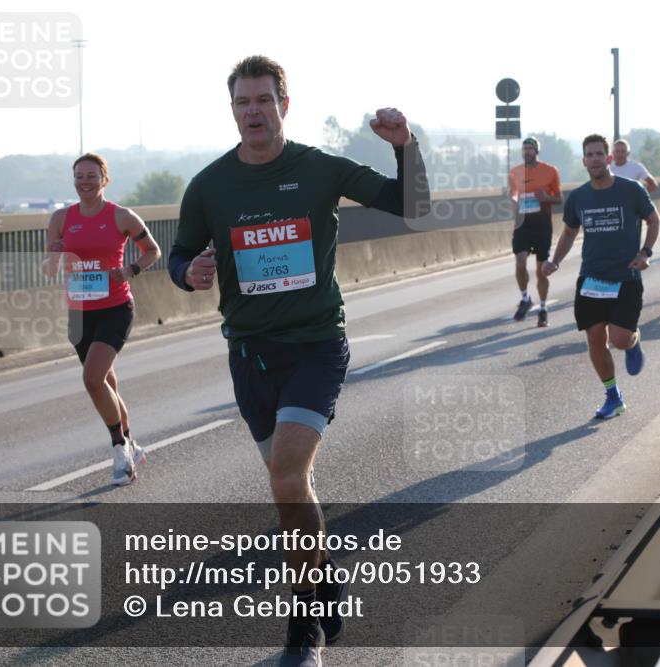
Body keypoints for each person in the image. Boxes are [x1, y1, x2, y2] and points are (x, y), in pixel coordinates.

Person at [167, 55, 428, 667]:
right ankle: (325, 570)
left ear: (285, 104)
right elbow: (177, 256)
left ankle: (303, 623)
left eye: (263, 100)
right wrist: (189, 272)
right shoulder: (208, 186)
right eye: (242, 103)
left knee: (286, 475)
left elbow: (410, 203)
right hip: (250, 353)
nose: (253, 112)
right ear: (232, 110)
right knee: (292, 489)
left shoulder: (318, 168)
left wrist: (405, 146)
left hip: (315, 345)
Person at [43, 153, 161, 486]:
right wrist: (54, 256)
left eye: (91, 176)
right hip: (79, 312)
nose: (85, 182)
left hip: (115, 307)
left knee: (92, 378)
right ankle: (132, 444)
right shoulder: (61, 218)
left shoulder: (121, 216)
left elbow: (152, 250)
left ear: (104, 179)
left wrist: (130, 270)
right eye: (79, 176)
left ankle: (120, 447)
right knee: (105, 383)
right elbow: (50, 266)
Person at [542, 134, 660, 419]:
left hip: (626, 276)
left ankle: (633, 341)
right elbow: (570, 231)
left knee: (619, 339)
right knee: (595, 337)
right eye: (589, 155)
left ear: (609, 159)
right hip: (592, 278)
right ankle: (612, 396)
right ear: (583, 161)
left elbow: (653, 220)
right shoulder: (579, 196)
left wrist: (645, 253)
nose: (594, 159)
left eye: (599, 154)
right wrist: (555, 261)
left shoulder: (631, 190)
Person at [508, 136, 562, 326]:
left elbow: (559, 199)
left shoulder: (550, 171)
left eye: (530, 149)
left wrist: (546, 197)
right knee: (520, 261)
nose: (527, 152)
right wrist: (514, 200)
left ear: (536, 151)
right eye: (524, 149)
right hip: (522, 225)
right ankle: (525, 298)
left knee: (541, 271)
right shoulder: (514, 173)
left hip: (542, 226)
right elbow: (514, 193)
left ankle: (543, 308)